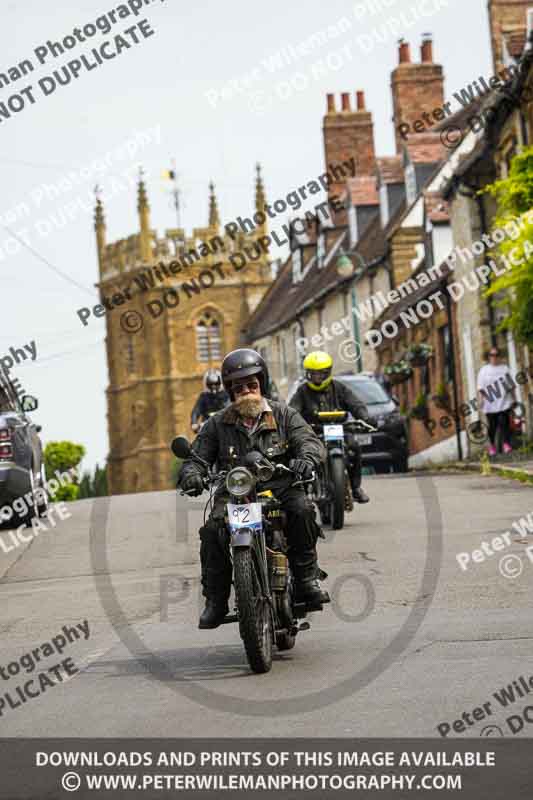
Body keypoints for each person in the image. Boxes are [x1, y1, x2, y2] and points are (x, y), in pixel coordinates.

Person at [178, 348, 328, 629]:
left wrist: (306, 460)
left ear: (261, 384)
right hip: (236, 493)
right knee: (212, 531)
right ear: (230, 392)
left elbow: (309, 440)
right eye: (239, 388)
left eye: (251, 385)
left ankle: (307, 578)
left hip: (280, 486)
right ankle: (216, 600)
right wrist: (192, 475)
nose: (246, 391)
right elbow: (195, 458)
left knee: (303, 509)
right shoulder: (216, 423)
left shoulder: (284, 414)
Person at [289, 351, 370, 503]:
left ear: (329, 372)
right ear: (307, 374)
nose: (318, 377)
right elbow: (293, 410)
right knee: (302, 453)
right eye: (313, 374)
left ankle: (356, 487)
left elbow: (355, 404)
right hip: (314, 432)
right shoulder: (302, 391)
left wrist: (365, 417)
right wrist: (292, 424)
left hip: (340, 430)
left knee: (354, 447)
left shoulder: (339, 388)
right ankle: (304, 490)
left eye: (322, 373)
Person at [477, 346, 516, 456]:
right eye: (492, 355)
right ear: (489, 357)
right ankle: (492, 446)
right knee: (492, 426)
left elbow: (511, 386)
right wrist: (481, 400)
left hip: (504, 402)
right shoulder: (484, 370)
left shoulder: (504, 369)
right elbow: (480, 387)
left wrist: (514, 399)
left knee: (505, 423)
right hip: (490, 404)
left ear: (499, 357)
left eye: (496, 355)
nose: (494, 357)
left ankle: (506, 444)